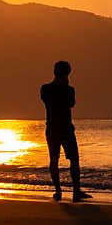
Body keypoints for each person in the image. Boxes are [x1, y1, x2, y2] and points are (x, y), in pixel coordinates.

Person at [40, 61, 91, 202]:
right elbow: (71, 103)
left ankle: (59, 191)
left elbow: (50, 102)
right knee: (73, 159)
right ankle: (75, 191)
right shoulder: (68, 90)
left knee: (54, 160)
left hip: (52, 129)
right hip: (65, 129)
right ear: (67, 74)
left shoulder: (45, 88)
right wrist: (65, 87)